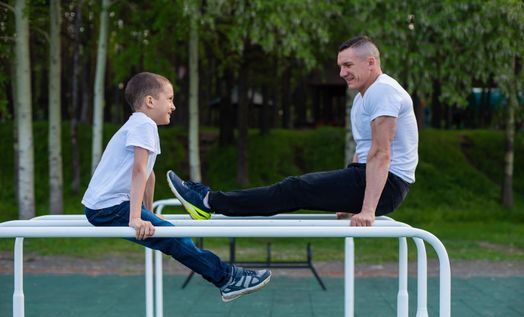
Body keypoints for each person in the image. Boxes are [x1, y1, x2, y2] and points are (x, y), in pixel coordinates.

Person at [167, 35, 418, 227]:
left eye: (348, 65)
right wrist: (349, 201)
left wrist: (368, 209)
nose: (342, 73)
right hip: (368, 180)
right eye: (340, 66)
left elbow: (381, 153)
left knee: (294, 189)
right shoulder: (364, 97)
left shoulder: (383, 91)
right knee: (294, 189)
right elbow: (363, 152)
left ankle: (208, 201)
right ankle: (210, 199)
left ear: (371, 62)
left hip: (388, 185)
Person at [82, 72, 271, 302]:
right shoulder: (143, 125)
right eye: (169, 99)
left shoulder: (141, 125)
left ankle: (227, 278)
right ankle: (227, 279)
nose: (173, 106)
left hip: (109, 205)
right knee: (176, 239)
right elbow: (139, 171)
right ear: (150, 101)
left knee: (172, 236)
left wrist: (147, 214)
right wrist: (135, 218)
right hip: (108, 206)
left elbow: (149, 175)